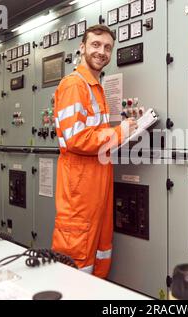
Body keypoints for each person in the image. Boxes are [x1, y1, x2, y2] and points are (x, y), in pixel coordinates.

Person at [51, 24, 137, 278]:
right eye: (96, 45)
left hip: (97, 183)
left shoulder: (94, 87)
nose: (102, 52)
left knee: (98, 255)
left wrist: (126, 131)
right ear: (82, 48)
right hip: (79, 189)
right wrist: (119, 132)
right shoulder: (74, 85)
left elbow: (94, 135)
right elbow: (77, 138)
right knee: (75, 259)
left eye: (107, 47)